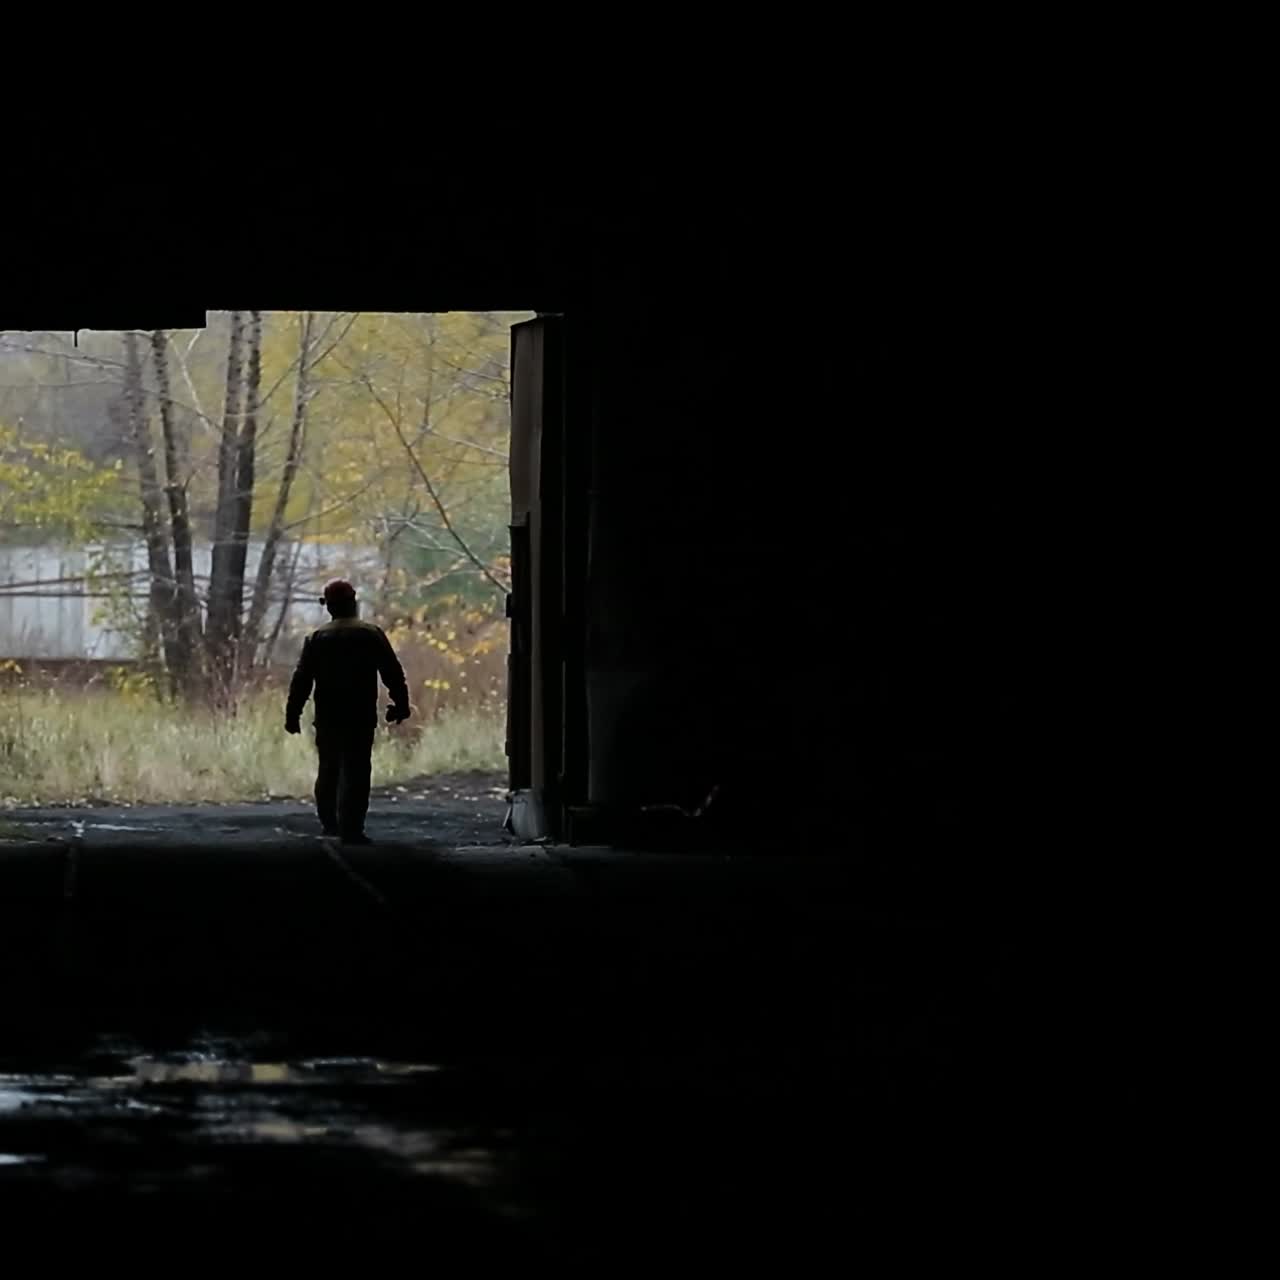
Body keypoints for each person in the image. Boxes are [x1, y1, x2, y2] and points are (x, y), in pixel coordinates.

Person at [285, 578, 411, 844]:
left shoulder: (317, 638)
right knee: (357, 770)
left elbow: (302, 679)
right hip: (360, 715)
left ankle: (330, 823)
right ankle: (352, 828)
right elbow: (392, 671)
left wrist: (293, 714)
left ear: (328, 607)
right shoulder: (370, 634)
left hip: (328, 716)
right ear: (353, 602)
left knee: (329, 767)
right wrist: (401, 704)